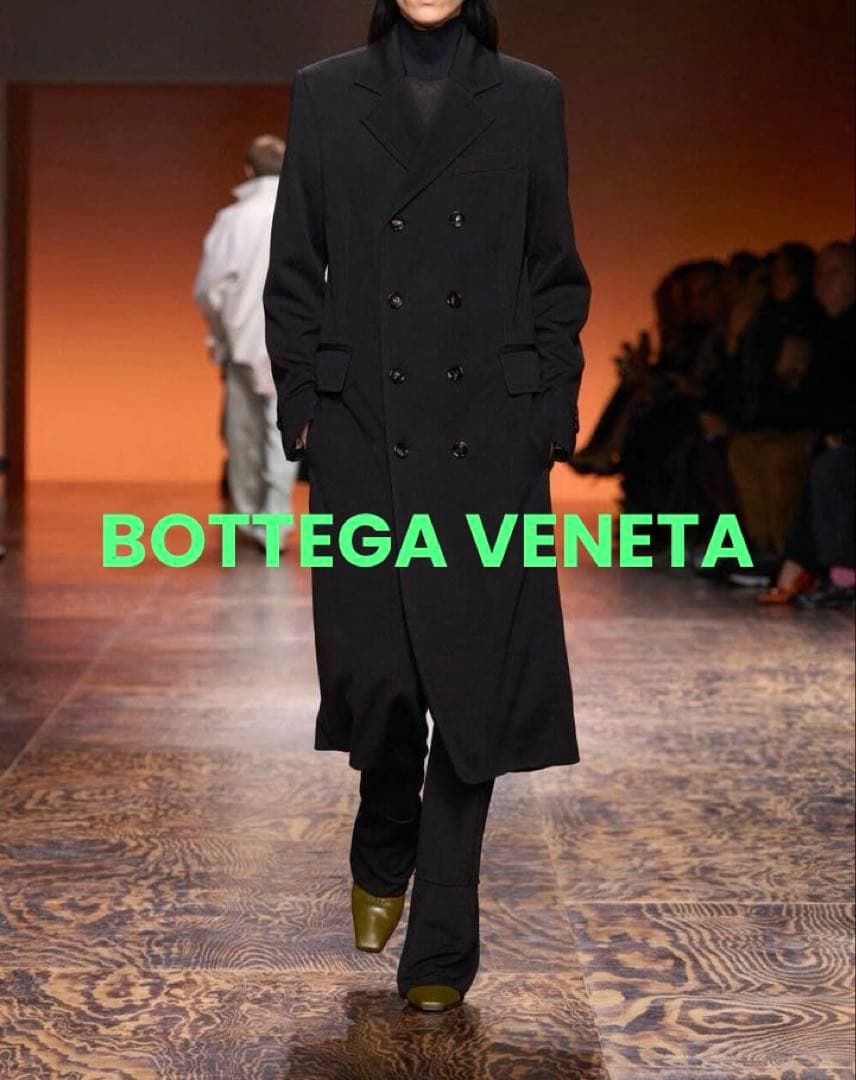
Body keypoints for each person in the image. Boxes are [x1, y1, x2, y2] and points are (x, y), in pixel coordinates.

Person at [263, 0, 590, 1012]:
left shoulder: (529, 98)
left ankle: (444, 934)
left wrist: (549, 406)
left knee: (474, 682)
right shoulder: (326, 94)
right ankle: (384, 821)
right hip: (364, 428)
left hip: (489, 433)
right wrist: (305, 403)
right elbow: (294, 267)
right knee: (384, 678)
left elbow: (554, 268)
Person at [193, 135, 298, 552]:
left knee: (244, 433)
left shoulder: (233, 220)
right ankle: (275, 524)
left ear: (248, 170)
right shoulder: (305, 216)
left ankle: (251, 518)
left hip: (242, 342)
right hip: (293, 345)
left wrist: (221, 335)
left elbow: (209, 289)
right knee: (284, 432)